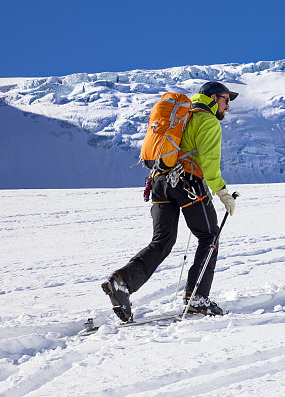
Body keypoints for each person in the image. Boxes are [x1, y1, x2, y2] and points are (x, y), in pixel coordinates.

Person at [102, 81, 239, 321]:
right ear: (215, 98)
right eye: (226, 100)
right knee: (209, 235)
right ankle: (197, 298)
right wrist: (222, 192)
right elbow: (209, 165)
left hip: (159, 182)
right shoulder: (206, 121)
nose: (227, 107)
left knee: (162, 241)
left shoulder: (183, 116)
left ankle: (122, 282)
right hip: (187, 183)